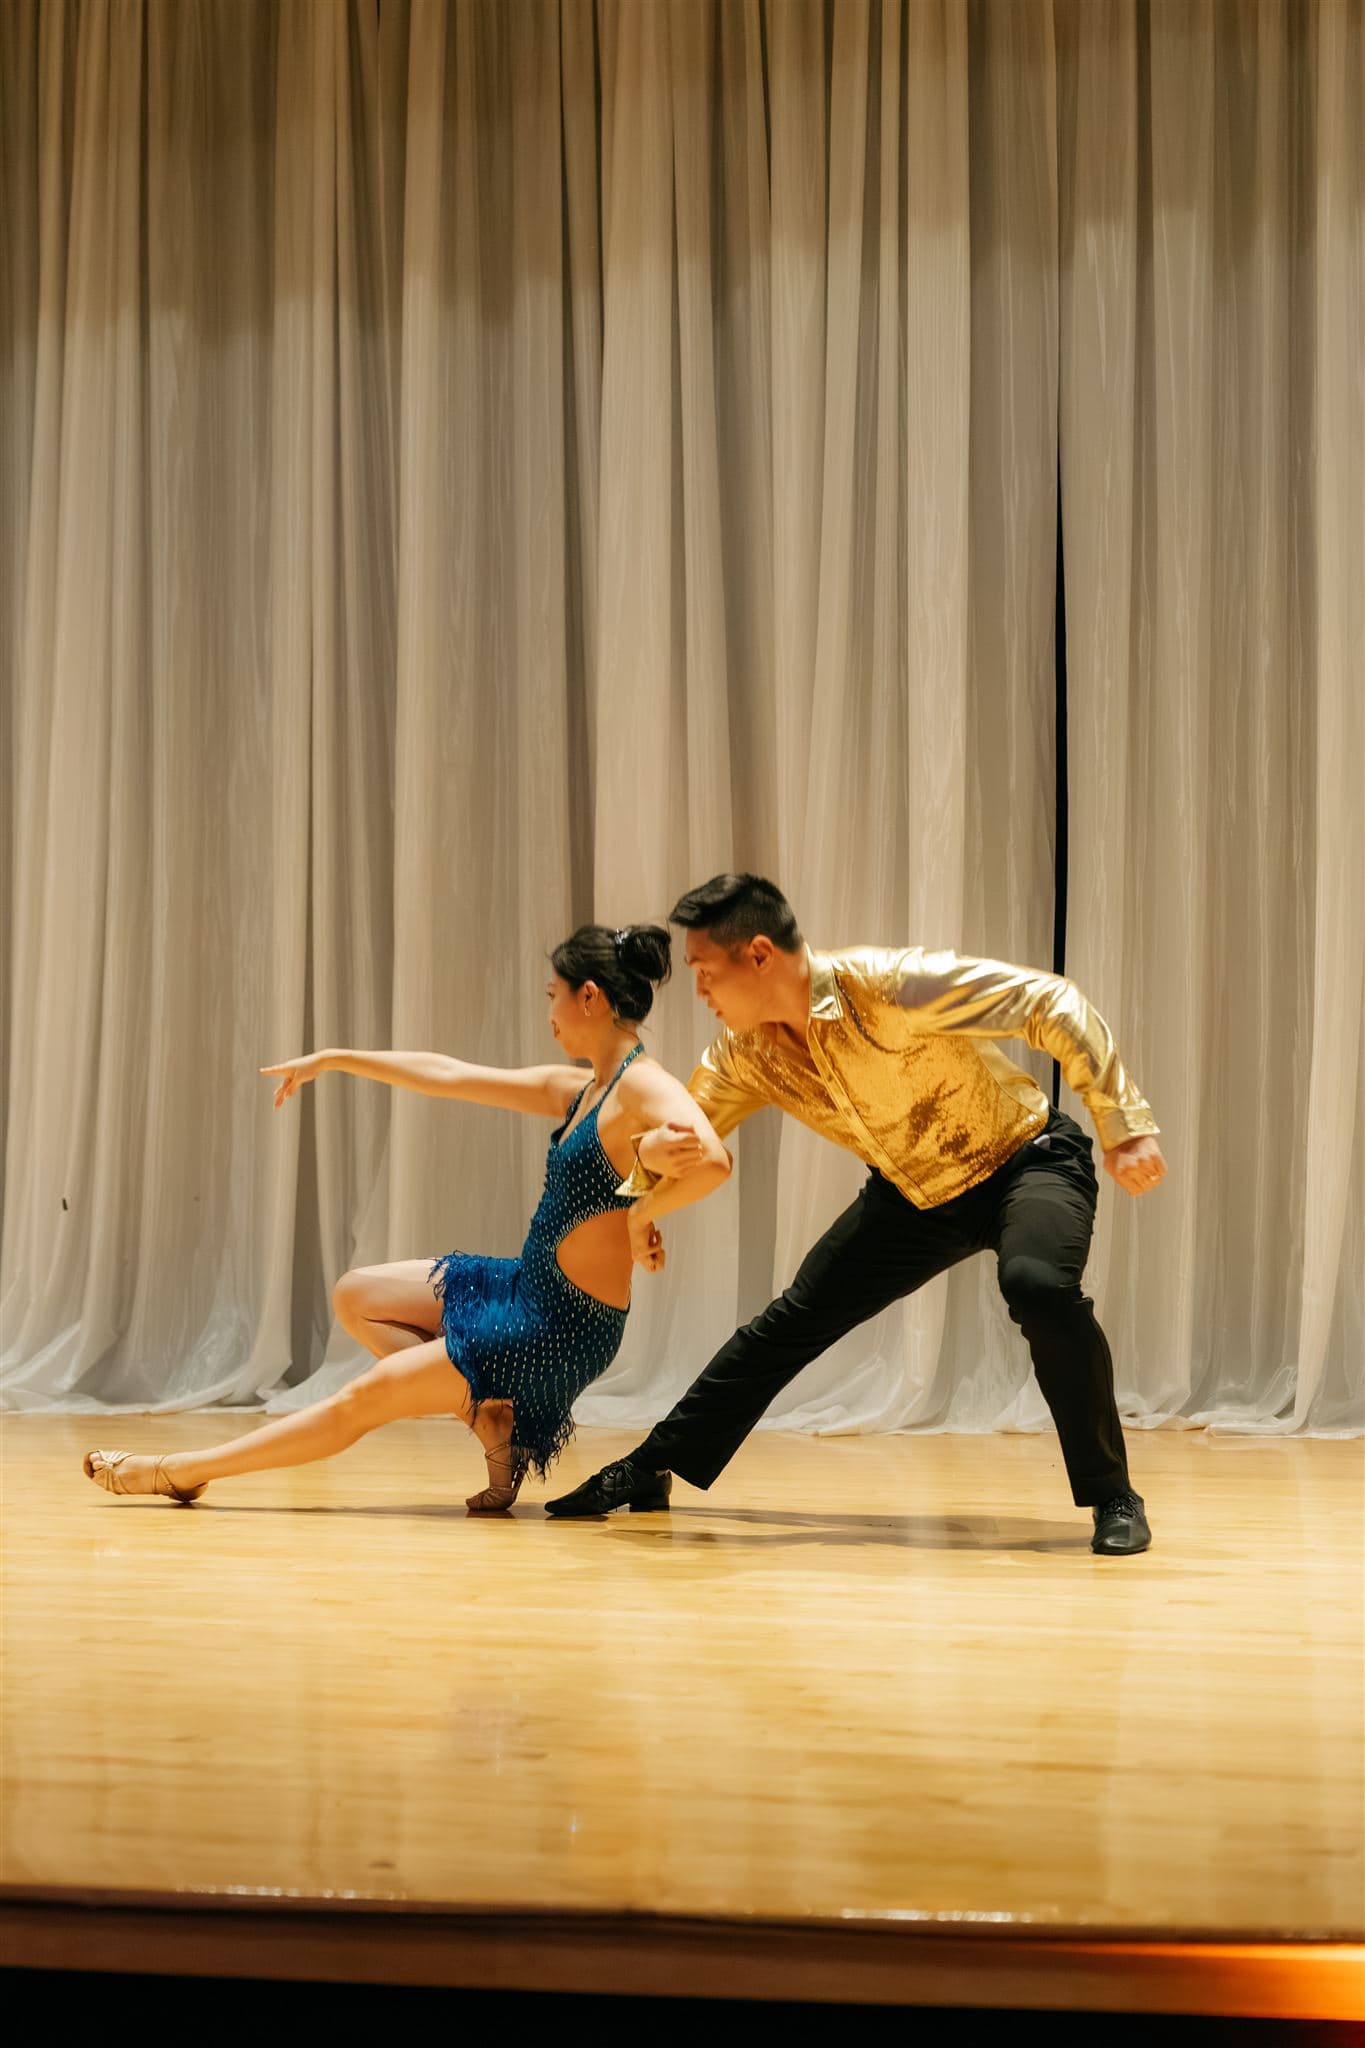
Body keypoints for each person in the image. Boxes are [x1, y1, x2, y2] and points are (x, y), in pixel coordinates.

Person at [545, 875, 1166, 1555]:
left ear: (757, 956)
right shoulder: (741, 1054)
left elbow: (1049, 1001)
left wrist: (1121, 1123)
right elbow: (686, 1138)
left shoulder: (885, 984)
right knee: (788, 1323)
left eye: (703, 973)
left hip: (1027, 1160)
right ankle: (651, 1467)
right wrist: (645, 1181)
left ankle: (1113, 1495)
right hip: (910, 1196)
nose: (699, 993)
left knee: (1037, 1286)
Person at [83, 924, 729, 1512]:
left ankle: (180, 1471)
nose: (550, 1012)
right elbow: (445, 1074)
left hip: (556, 1328)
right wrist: (334, 1058)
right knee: (357, 1297)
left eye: (553, 994)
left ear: (588, 997)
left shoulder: (642, 1086)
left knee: (363, 1399)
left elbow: (712, 1159)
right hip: (523, 1288)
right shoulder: (583, 1088)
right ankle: (488, 1421)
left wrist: (645, 1201)